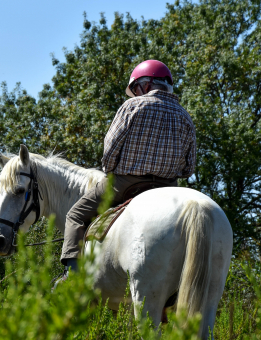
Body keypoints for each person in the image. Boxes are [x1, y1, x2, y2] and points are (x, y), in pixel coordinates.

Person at [59, 59, 196, 275]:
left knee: (75, 215)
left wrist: (111, 170)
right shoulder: (184, 115)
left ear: (145, 85)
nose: (135, 93)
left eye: (136, 88)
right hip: (168, 189)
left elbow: (110, 150)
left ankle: (72, 275)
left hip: (125, 183)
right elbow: (189, 167)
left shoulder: (132, 106)